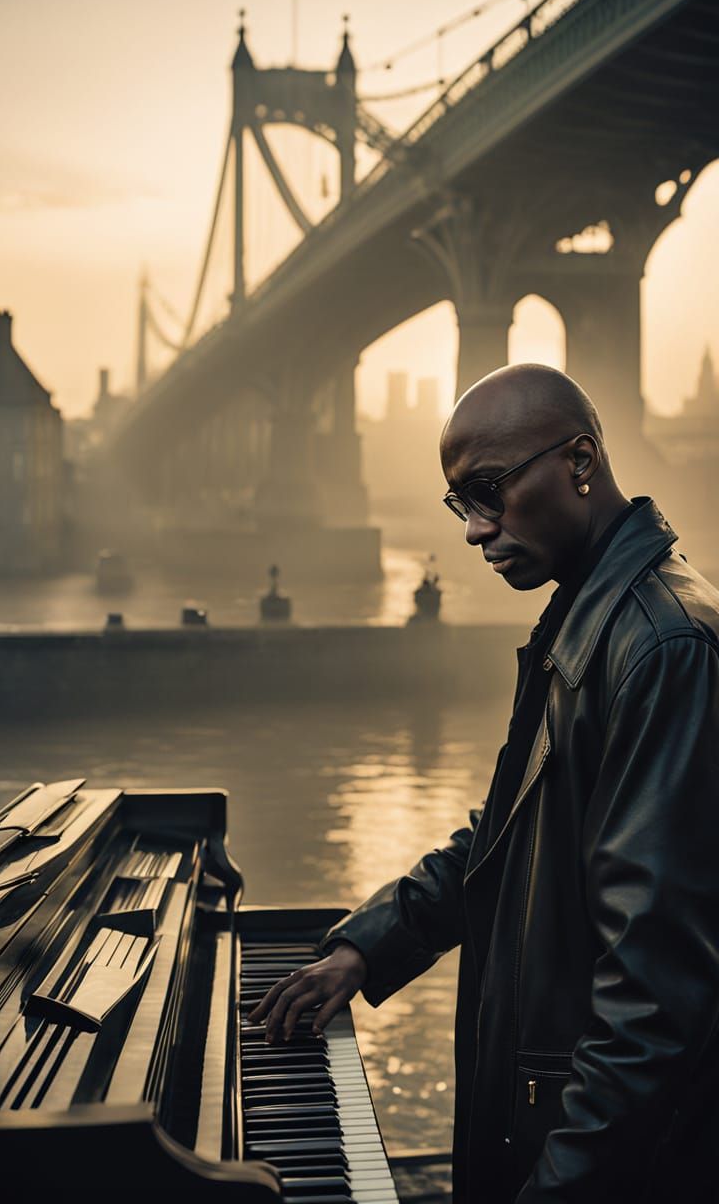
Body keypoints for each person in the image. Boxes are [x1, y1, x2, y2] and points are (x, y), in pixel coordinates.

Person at [248, 363, 719, 1203]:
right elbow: (510, 833)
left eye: (489, 490)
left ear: (580, 463)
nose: (474, 530)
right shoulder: (590, 620)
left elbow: (653, 1002)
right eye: (459, 503)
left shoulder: (662, 650)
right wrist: (368, 945)